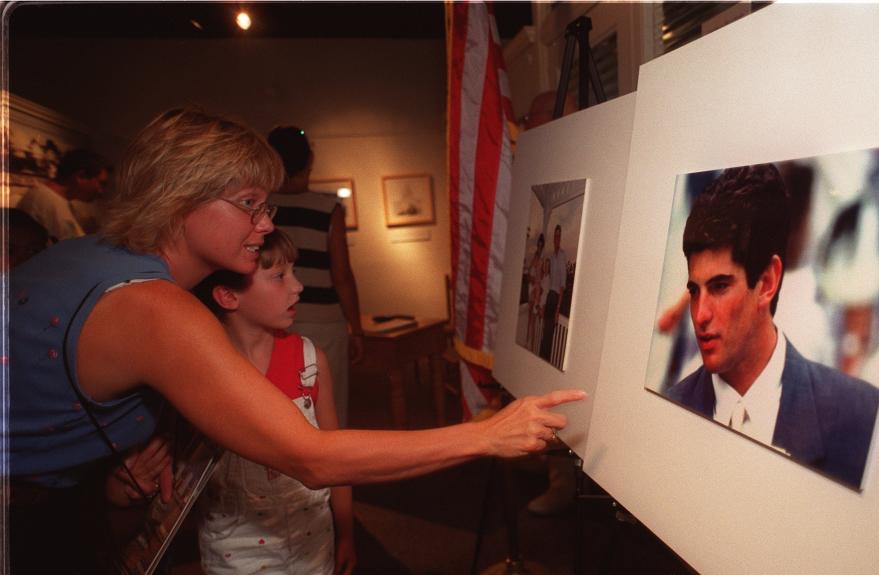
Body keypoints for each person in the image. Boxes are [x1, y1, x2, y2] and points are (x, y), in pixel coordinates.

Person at [8, 107, 584, 572]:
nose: (266, 224)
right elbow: (311, 456)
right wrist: (487, 436)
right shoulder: (157, 309)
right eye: (250, 205)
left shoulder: (87, 255)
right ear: (181, 199)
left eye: (267, 205)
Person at [666, 164, 879, 488]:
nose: (700, 314)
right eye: (694, 290)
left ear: (767, 281)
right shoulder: (671, 410)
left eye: (720, 286)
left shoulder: (861, 416)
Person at [193, 230, 355, 575]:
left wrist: (347, 533)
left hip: (313, 542)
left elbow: (336, 455)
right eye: (279, 276)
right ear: (227, 296)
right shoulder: (201, 371)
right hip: (235, 552)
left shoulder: (310, 361)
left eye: (293, 272)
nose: (297, 286)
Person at [267, 126, 364, 426]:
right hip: (324, 321)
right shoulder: (327, 209)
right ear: (310, 159)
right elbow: (342, 275)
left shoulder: (263, 207)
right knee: (329, 407)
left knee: (281, 404)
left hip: (273, 317)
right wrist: (356, 329)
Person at [17, 147, 110, 242]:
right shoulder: (45, 201)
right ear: (81, 176)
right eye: (101, 183)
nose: (101, 191)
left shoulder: (53, 200)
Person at [538, 224, 567, 362]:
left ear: (560, 238)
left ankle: (544, 363)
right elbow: (547, 280)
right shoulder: (551, 256)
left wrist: (557, 310)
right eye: (555, 235)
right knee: (545, 333)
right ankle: (540, 363)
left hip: (555, 298)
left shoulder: (562, 256)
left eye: (559, 235)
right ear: (553, 238)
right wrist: (543, 304)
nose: (557, 237)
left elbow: (562, 285)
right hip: (549, 297)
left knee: (549, 336)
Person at [526, 233, 545, 350]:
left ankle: (532, 347)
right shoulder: (534, 258)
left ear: (542, 247)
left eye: (541, 246)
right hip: (531, 289)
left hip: (536, 291)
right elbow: (528, 273)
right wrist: (531, 279)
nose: (539, 247)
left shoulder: (542, 260)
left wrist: (539, 288)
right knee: (529, 318)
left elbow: (542, 276)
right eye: (538, 245)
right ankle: (527, 342)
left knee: (532, 319)